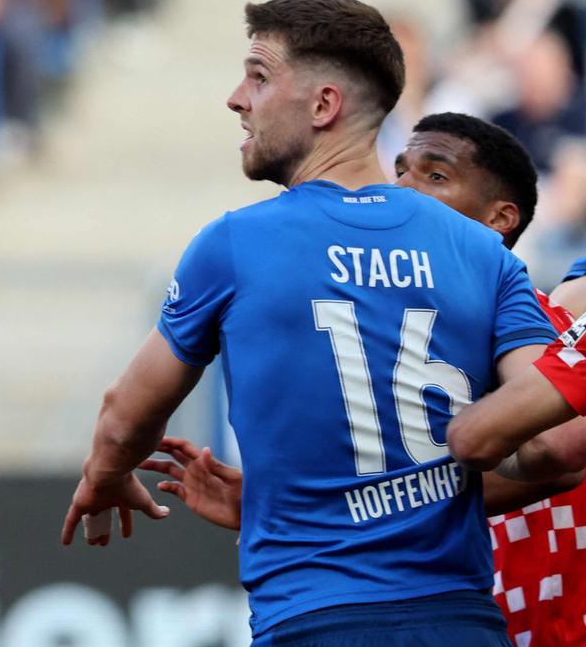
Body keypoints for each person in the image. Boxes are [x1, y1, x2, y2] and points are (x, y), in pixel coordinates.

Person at [63, 0, 559, 647]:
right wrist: (425, 487)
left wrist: (105, 475)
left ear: (324, 105)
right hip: (460, 623)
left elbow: (124, 419)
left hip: (314, 619)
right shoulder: (484, 254)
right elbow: (555, 446)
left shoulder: (236, 243)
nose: (236, 98)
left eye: (259, 77)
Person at [145, 112, 586, 647]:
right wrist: (287, 501)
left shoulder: (541, 334)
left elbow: (558, 458)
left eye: (435, 176)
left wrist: (318, 507)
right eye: (398, 171)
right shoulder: (370, 332)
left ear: (499, 219)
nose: (402, 189)